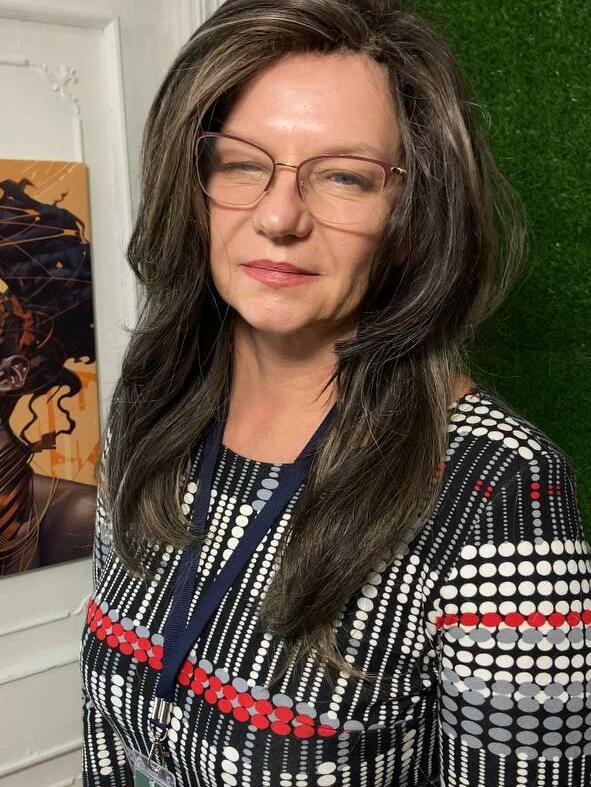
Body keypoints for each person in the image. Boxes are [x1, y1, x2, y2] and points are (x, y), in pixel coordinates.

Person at [79, 1, 590, 785]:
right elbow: (106, 732)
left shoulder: (499, 490)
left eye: (345, 176)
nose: (279, 215)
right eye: (242, 163)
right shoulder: (150, 404)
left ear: (410, 218)